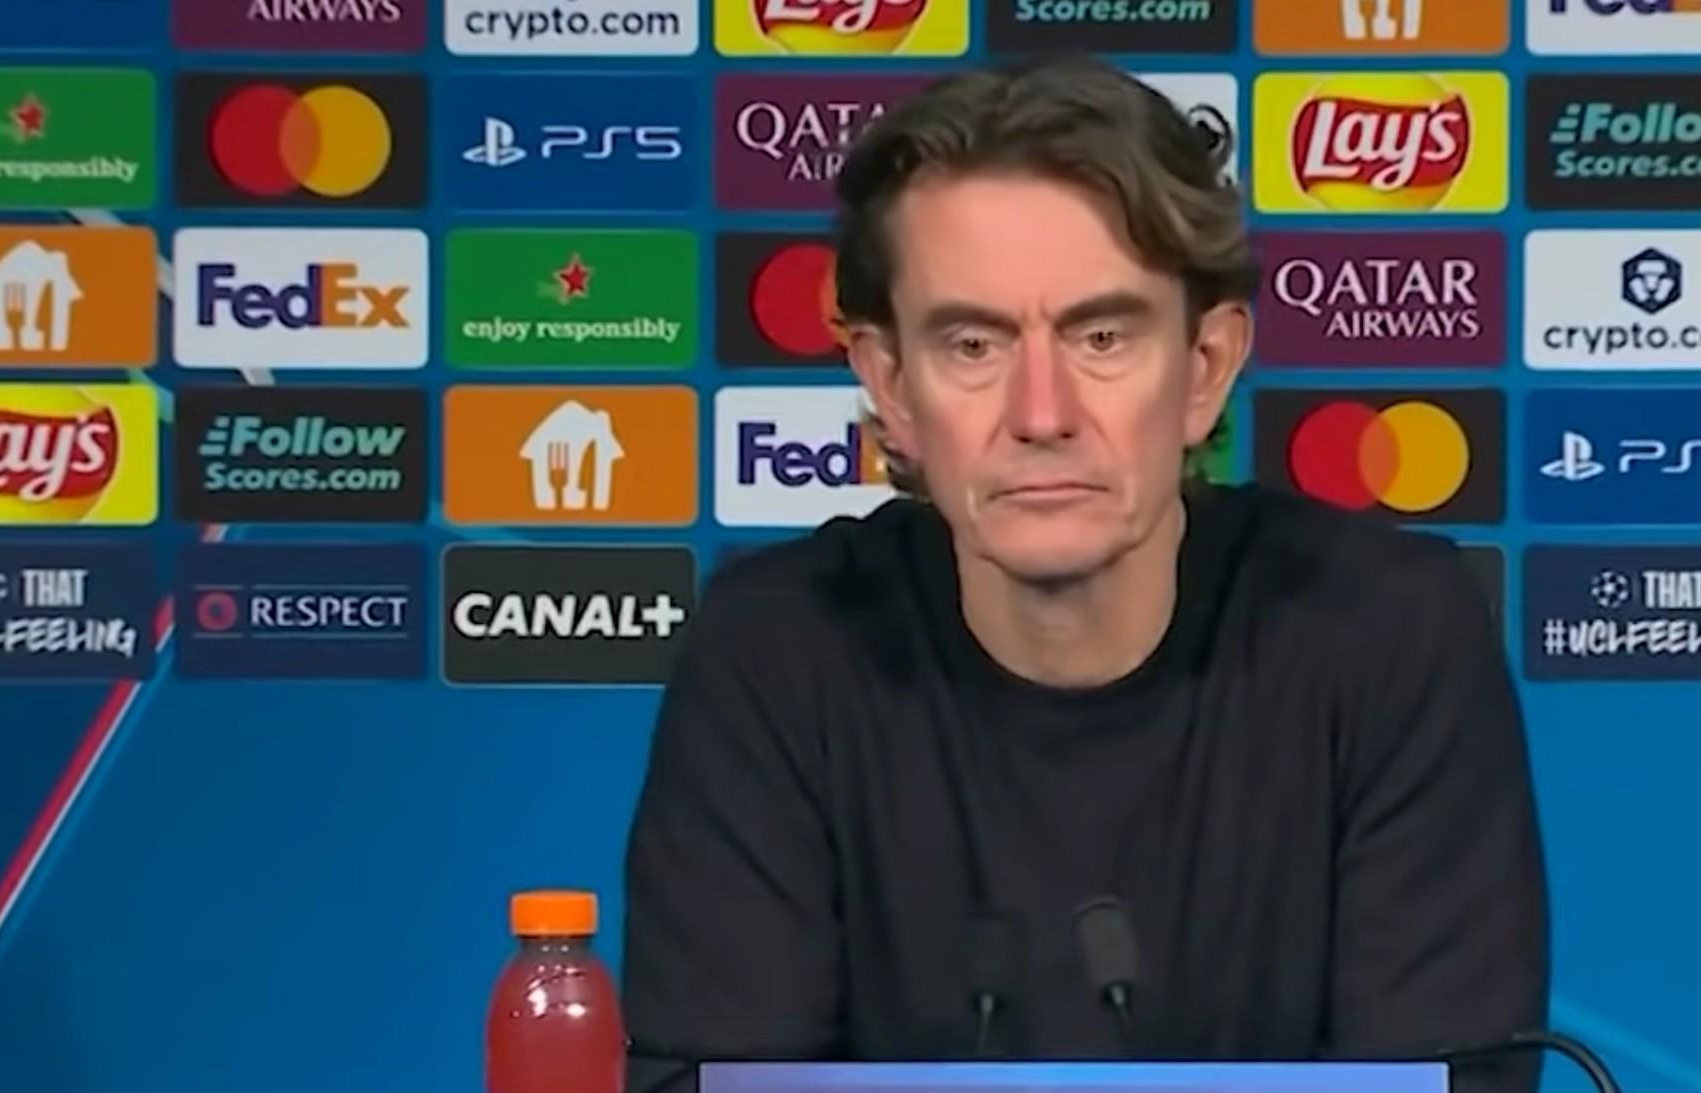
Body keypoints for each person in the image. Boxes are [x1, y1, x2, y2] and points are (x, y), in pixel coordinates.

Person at [621, 53, 1548, 1093]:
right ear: (891, 385)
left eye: (1101, 336)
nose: (1041, 413)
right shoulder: (776, 653)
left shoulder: (1387, 635)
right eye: (972, 344)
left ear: (1203, 370)